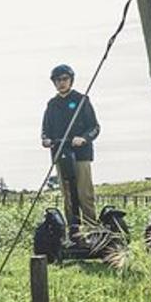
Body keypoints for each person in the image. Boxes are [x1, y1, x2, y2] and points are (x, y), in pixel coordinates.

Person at [41, 64, 100, 230]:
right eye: (58, 80)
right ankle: (72, 231)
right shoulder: (52, 104)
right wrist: (46, 140)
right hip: (60, 153)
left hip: (80, 154)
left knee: (84, 194)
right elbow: (45, 130)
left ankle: (91, 230)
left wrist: (84, 138)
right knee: (67, 195)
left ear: (71, 80)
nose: (61, 83)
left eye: (65, 79)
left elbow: (95, 127)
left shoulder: (81, 100)